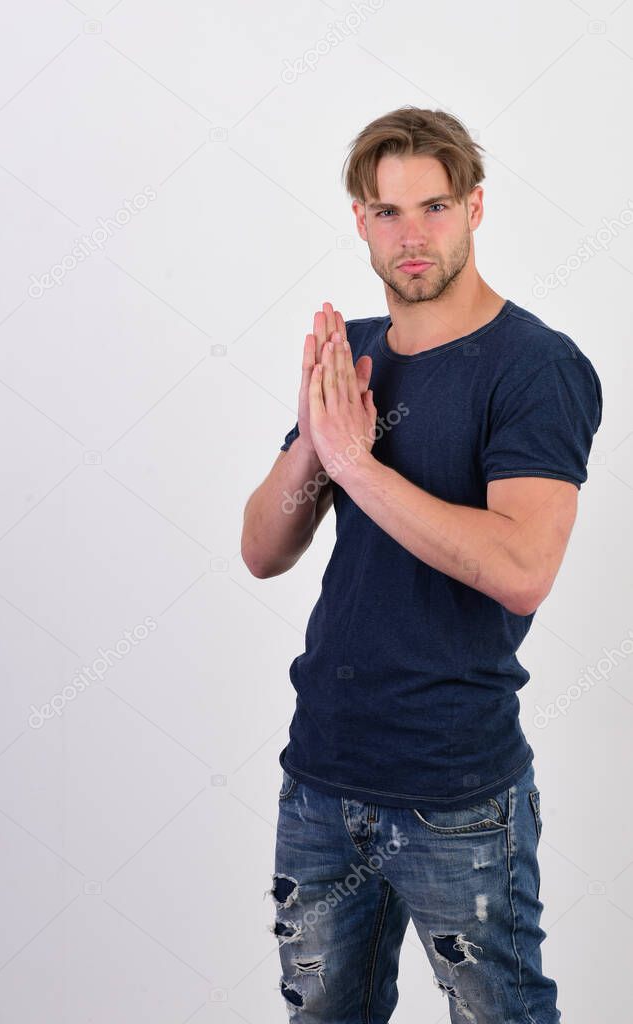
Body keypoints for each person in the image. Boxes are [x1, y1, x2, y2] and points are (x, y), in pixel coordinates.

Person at [241, 106, 602, 1023]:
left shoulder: (535, 367)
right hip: (320, 775)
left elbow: (520, 566)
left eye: (434, 207)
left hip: (456, 792)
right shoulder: (351, 355)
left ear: (475, 208)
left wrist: (357, 464)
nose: (412, 236)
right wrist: (311, 450)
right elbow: (262, 550)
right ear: (360, 220)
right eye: (388, 212)